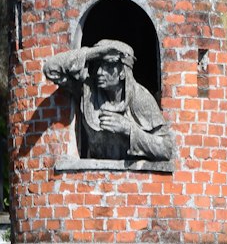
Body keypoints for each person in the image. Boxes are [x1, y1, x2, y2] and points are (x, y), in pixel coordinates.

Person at [44, 39, 174, 164]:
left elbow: (165, 148)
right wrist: (97, 53)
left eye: (108, 67)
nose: (100, 72)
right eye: (99, 65)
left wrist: (128, 129)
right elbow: (51, 69)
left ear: (122, 72)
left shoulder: (140, 99)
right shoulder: (88, 91)